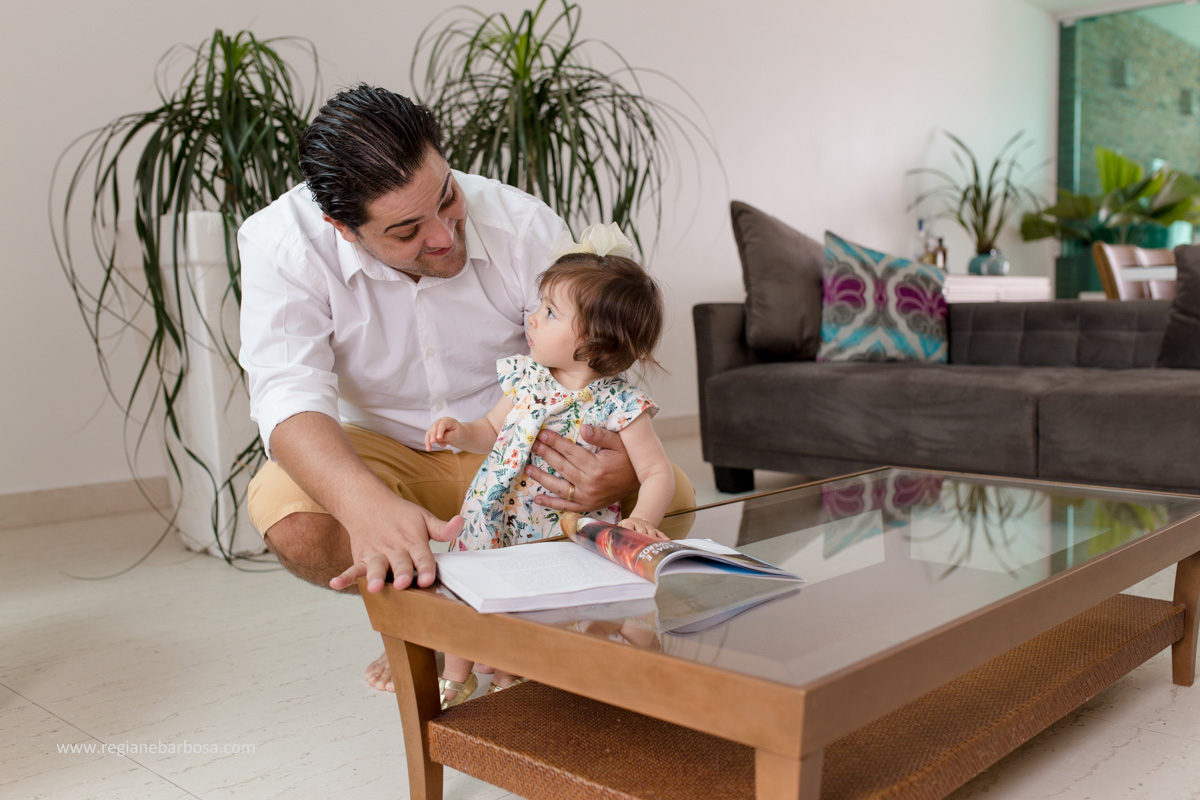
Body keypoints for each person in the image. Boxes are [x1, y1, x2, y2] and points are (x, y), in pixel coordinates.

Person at [237, 84, 695, 692]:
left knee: (676, 500)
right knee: (293, 516)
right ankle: (425, 629)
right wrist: (364, 506)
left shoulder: (521, 223)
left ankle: (528, 627)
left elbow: (594, 356)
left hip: (524, 446)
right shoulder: (281, 243)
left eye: (447, 198)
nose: (445, 236)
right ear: (342, 228)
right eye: (406, 232)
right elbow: (287, 394)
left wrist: (609, 465)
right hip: (385, 451)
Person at [424, 227, 675, 706]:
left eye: (550, 312)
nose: (532, 318)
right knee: (470, 587)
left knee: (532, 603)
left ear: (596, 342)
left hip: (557, 528)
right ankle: (457, 674)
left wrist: (644, 520)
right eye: (540, 306)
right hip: (492, 515)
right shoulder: (528, 378)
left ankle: (510, 674)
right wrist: (460, 431)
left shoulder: (619, 405)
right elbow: (490, 429)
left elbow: (656, 472)